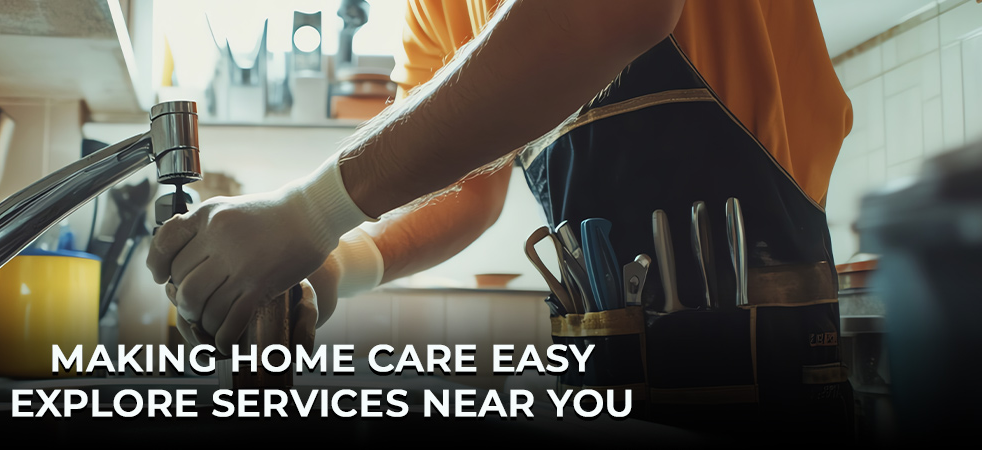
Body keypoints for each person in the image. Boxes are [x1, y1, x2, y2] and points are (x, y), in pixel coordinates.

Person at [149, 0, 853, 440]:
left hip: (770, 368)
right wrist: (336, 259)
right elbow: (467, 189)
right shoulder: (435, 7)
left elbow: (613, 11)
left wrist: (309, 209)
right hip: (606, 379)